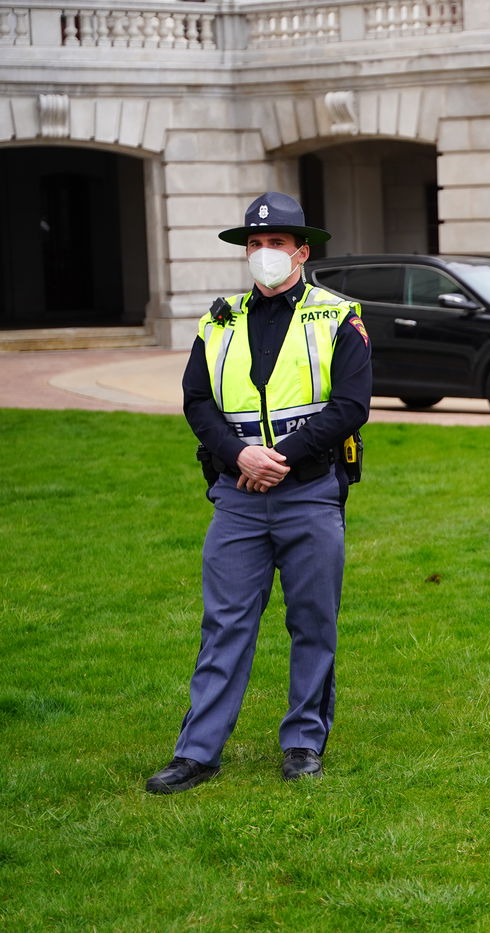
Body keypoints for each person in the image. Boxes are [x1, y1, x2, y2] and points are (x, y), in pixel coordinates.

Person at [145, 192, 372, 793]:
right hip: (237, 494)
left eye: (275, 244)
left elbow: (351, 405)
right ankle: (197, 752)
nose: (264, 254)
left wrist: (281, 458)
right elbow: (196, 399)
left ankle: (303, 744)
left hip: (310, 492)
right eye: (254, 245)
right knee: (224, 625)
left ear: (301, 251)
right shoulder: (217, 320)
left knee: (313, 623)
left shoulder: (338, 316)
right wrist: (239, 455)